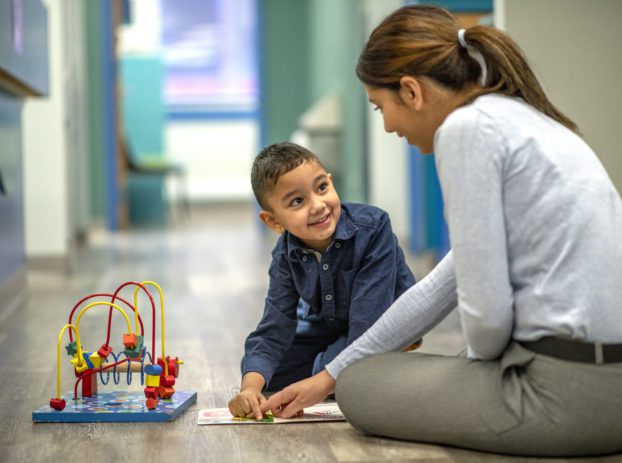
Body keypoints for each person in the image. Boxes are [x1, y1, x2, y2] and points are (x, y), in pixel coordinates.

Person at [260, 5, 622, 457]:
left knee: (361, 386)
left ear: (411, 91)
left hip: (560, 398)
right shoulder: (528, 119)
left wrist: (345, 379)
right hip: (612, 389)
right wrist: (327, 375)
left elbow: (487, 330)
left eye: (380, 107)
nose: (388, 125)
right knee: (353, 373)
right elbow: (437, 289)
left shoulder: (466, 131)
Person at [228, 142, 416, 420]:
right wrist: (250, 387)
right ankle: (331, 368)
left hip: (380, 326)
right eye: (297, 201)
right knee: (274, 375)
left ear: (330, 181)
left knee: (334, 371)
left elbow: (369, 325)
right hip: (328, 326)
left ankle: (346, 366)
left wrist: (323, 373)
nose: (318, 206)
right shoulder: (285, 254)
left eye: (321, 188)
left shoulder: (373, 228)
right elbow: (274, 326)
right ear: (273, 221)